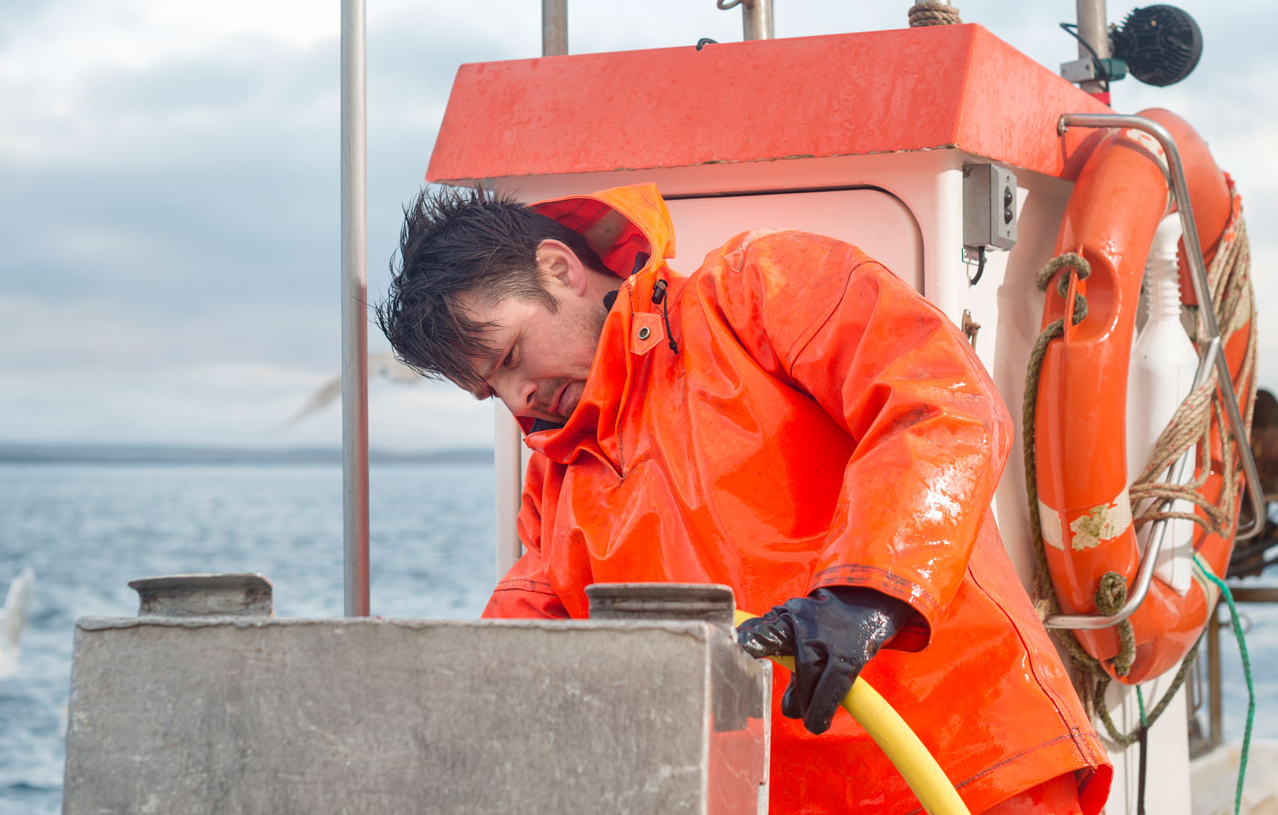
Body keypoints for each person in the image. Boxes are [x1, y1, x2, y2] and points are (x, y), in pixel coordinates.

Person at [378, 182, 1111, 815]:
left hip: (971, 769)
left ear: (558, 268)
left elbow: (941, 405)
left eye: (510, 356)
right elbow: (513, 653)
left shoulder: (758, 288)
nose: (519, 396)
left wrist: (867, 596)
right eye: (490, 389)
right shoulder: (555, 480)